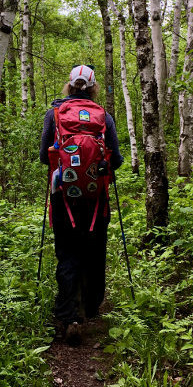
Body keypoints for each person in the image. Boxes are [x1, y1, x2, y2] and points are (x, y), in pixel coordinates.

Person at [39, 65, 123, 345]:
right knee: (94, 251)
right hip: (96, 198)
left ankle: (68, 315)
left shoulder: (55, 115)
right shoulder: (104, 118)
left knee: (67, 252)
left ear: (69, 86)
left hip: (63, 195)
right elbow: (117, 160)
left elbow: (43, 155)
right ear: (93, 87)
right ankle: (90, 307)